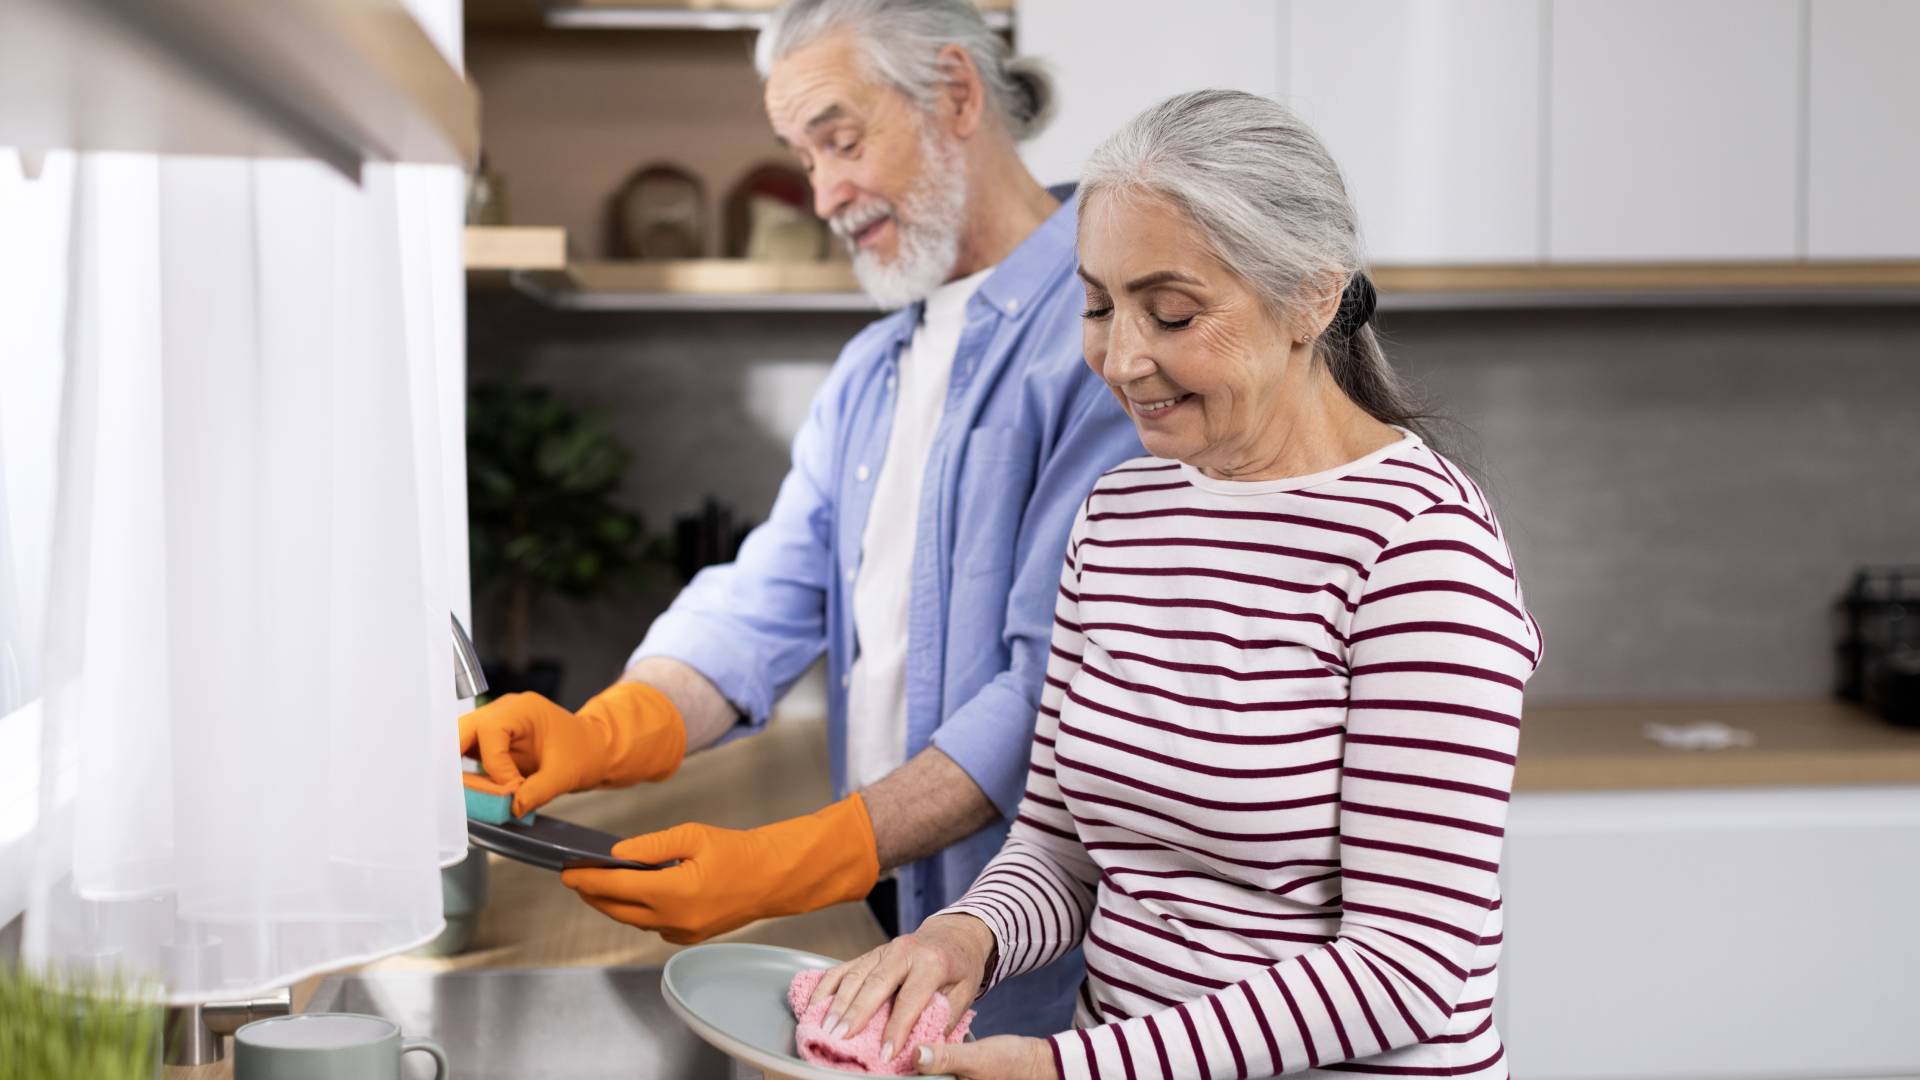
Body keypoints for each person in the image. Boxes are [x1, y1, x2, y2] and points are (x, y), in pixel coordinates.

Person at [803, 89, 1545, 1079]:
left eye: (1173, 312)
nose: (1122, 357)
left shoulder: (1418, 551)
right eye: (1099, 305)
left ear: (1312, 297)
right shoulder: (1119, 518)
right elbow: (1063, 845)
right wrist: (963, 937)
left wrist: (1078, 1068)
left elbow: (1408, 966)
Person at [455, 0, 1140, 1038]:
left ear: (956, 92)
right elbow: (764, 598)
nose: (824, 193)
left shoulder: (1107, 333)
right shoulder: (875, 369)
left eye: (841, 139)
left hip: (1053, 972)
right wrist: (600, 733)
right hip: (900, 920)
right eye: (802, 155)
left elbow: (1055, 689)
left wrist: (809, 853)